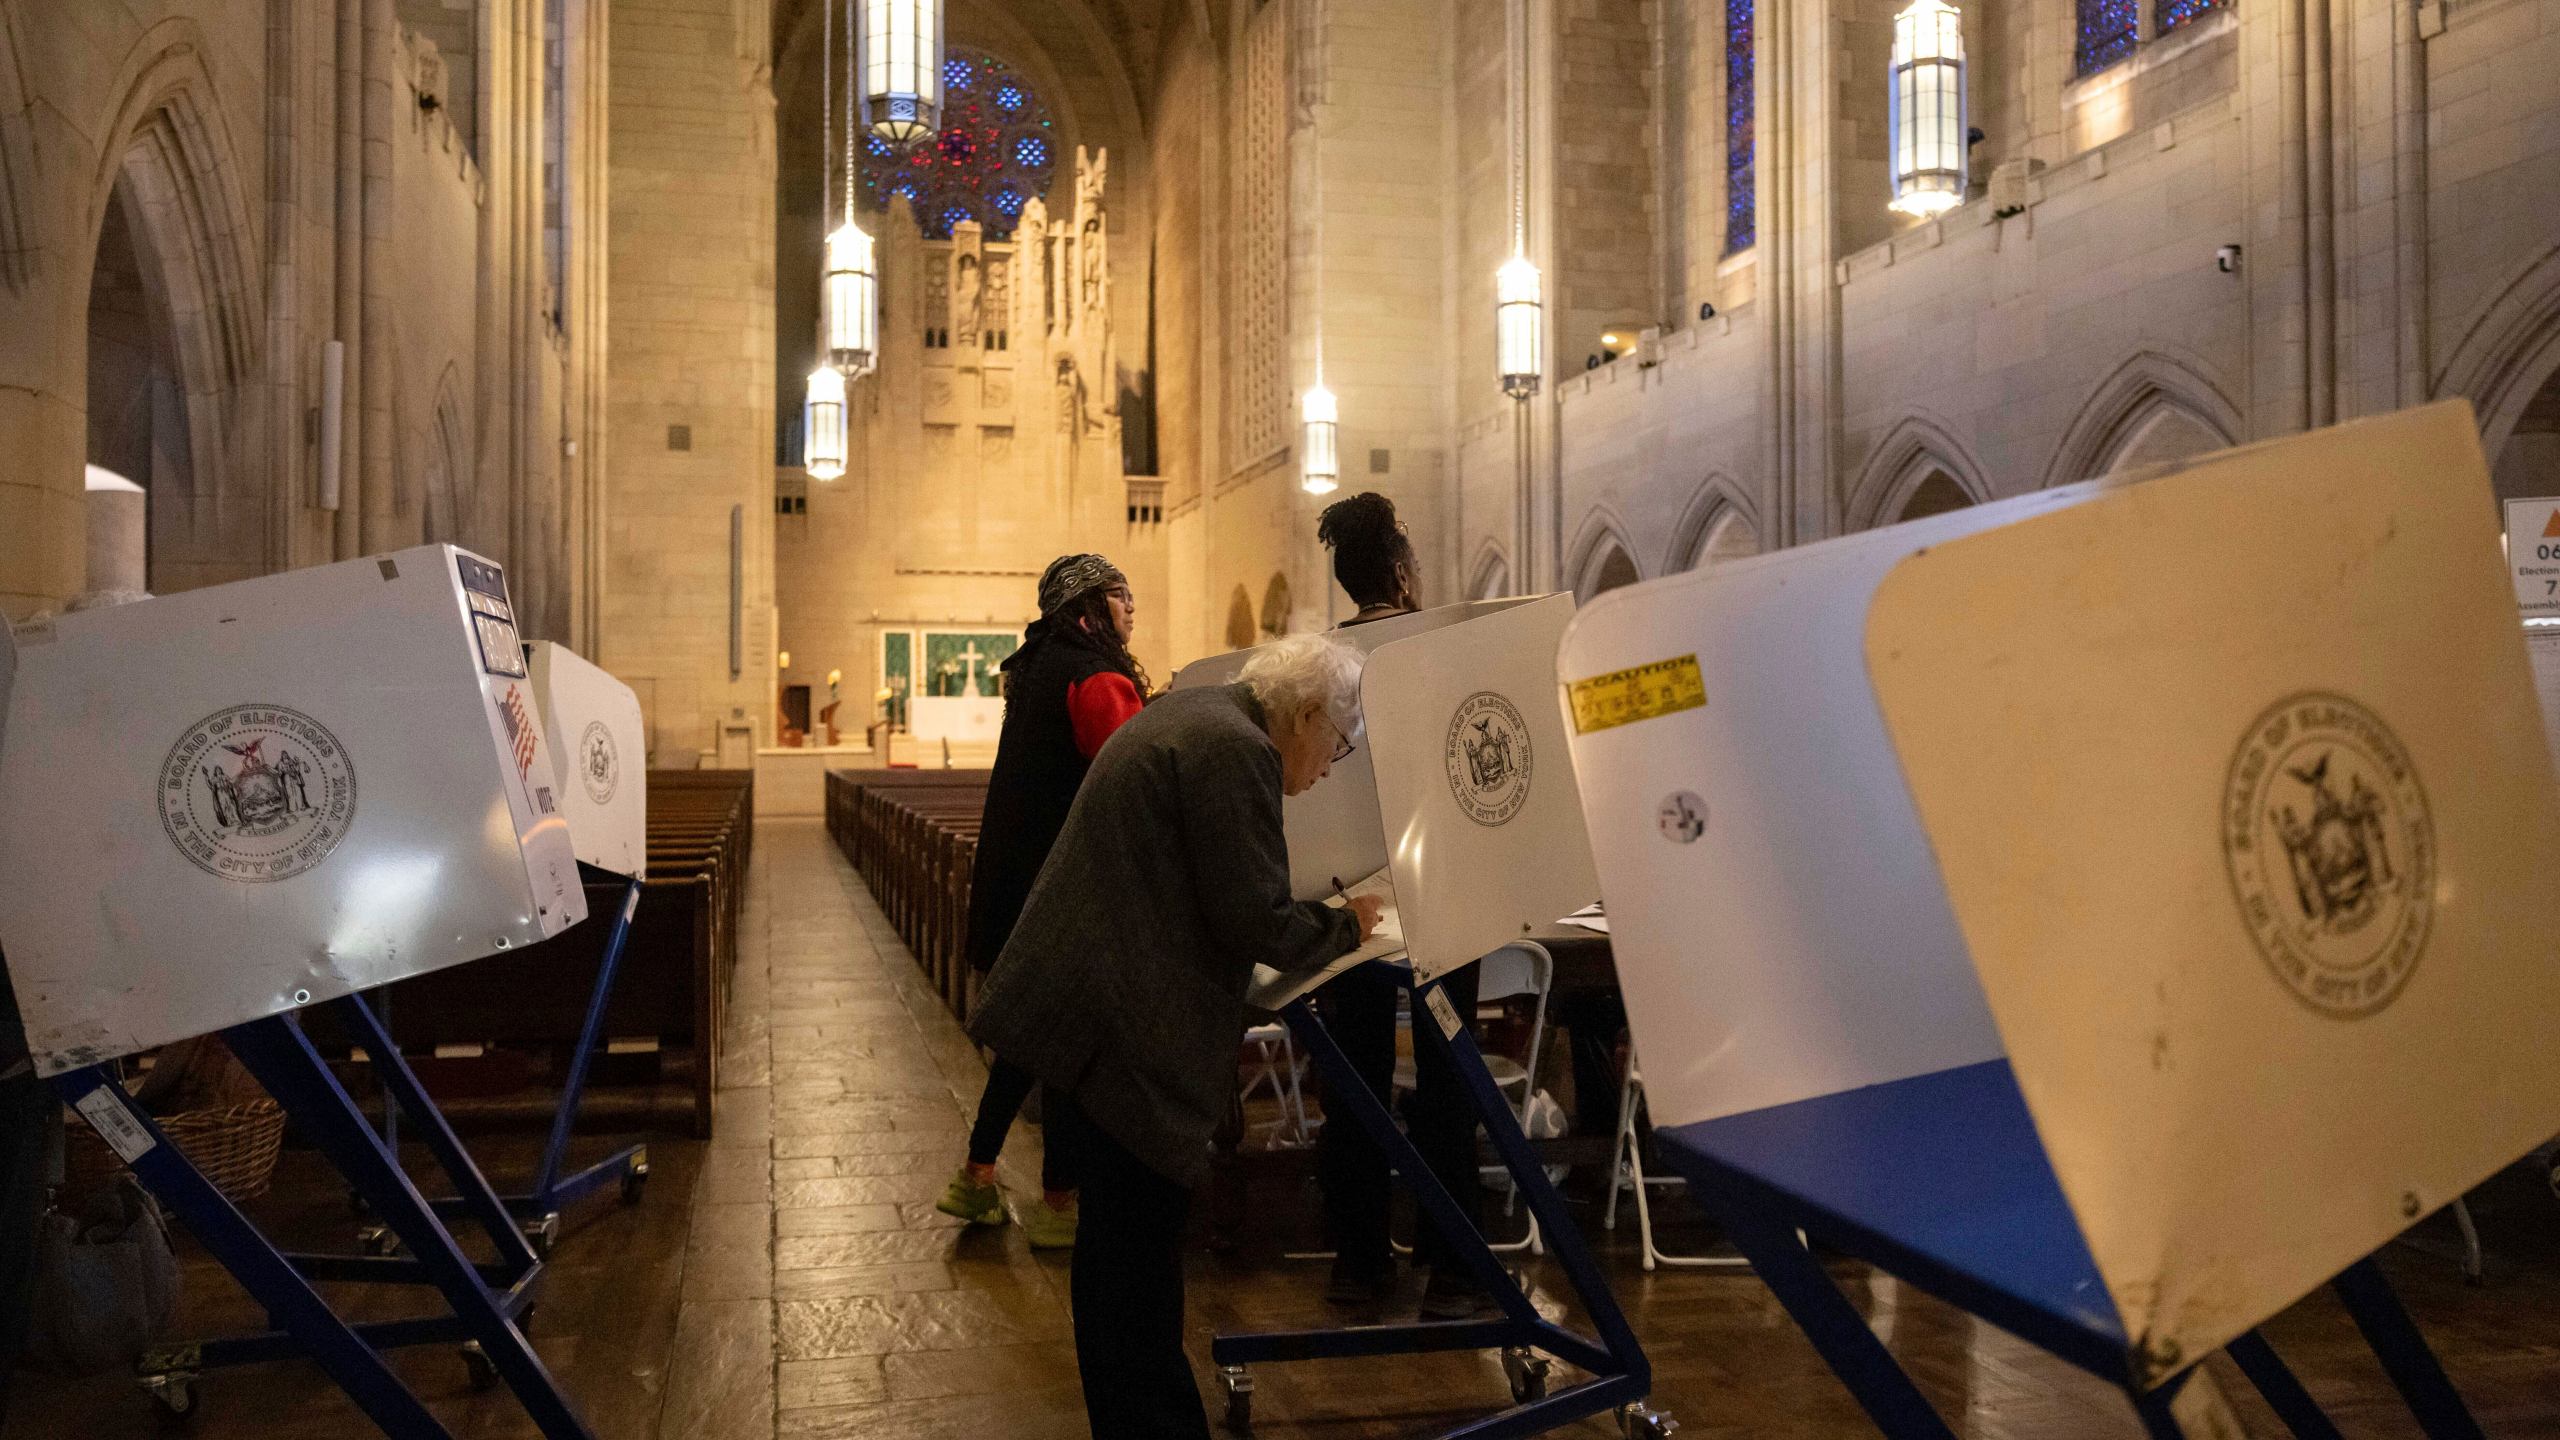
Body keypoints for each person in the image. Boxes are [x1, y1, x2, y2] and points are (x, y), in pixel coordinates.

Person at [971, 635, 1381, 1440]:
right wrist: (1344, 929)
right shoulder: (1237, 751)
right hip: (1125, 1034)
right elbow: (1251, 914)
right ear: (1303, 714)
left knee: (1117, 1259)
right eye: (1336, 743)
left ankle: (1135, 1421)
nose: (1331, 767)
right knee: (1136, 1266)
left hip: (1095, 1015)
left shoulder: (1197, 713)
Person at [1310, 491, 1492, 1319]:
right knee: (1450, 1077)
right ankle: (1452, 1265)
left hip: (1355, 903)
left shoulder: (1321, 664)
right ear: (1401, 572)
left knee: (1355, 1077)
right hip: (1447, 893)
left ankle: (1359, 1261)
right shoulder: (1441, 650)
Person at [935, 555, 1149, 1248]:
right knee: (1062, 1049)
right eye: (1120, 595)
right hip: (1065, 892)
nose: (1131, 607)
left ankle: (979, 1176)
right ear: (1088, 609)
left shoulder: (1034, 668)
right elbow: (1131, 779)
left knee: (1032, 1039)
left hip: (1015, 883)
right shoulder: (1096, 677)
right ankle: (1057, 1204)